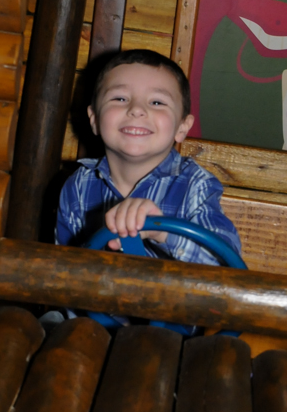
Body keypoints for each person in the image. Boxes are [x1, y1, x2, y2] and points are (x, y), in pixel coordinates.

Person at [56, 49, 241, 265]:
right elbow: (64, 270)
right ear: (95, 120)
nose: (136, 109)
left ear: (182, 127)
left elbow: (227, 265)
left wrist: (161, 232)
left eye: (156, 102)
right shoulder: (78, 186)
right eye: (120, 98)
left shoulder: (196, 186)